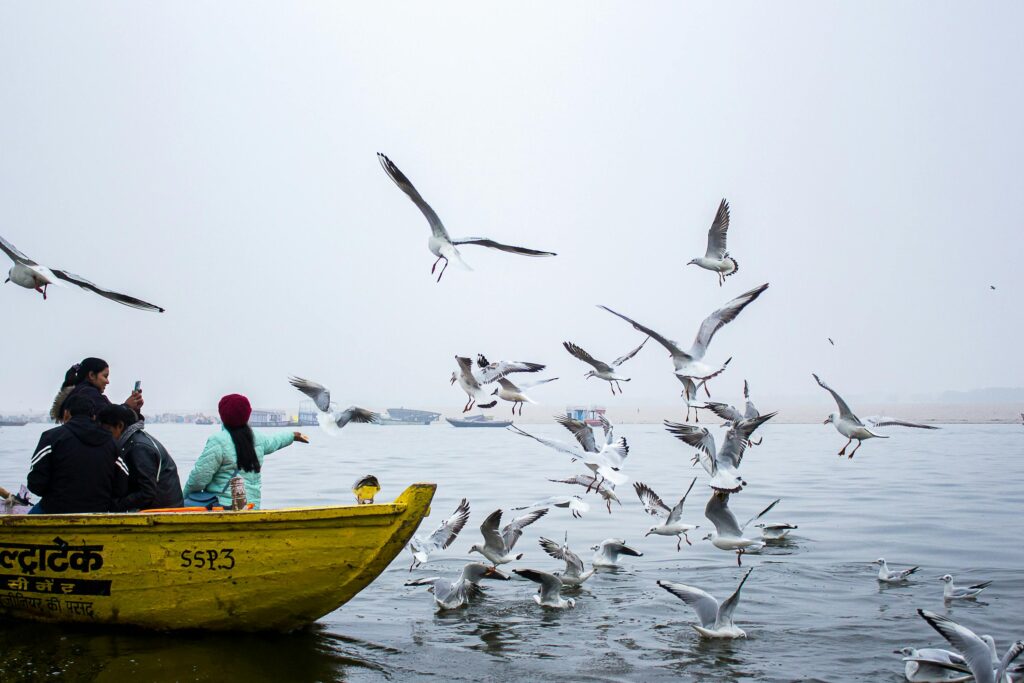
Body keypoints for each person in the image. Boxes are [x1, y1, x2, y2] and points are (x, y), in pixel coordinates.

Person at [183, 394, 309, 510]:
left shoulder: (218, 441)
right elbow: (275, 441)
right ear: (247, 414)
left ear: (222, 415)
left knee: (189, 502)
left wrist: (183, 497)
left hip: (222, 507)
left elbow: (198, 479)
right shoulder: (258, 438)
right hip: (251, 506)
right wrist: (292, 435)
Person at [26, 394, 129, 514]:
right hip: (98, 513)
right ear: (94, 416)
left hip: (55, 510)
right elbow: (121, 488)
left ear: (66, 414)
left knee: (22, 529)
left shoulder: (51, 438)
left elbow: (35, 483)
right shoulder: (112, 444)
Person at [97, 404, 183, 511]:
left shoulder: (139, 448)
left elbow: (147, 492)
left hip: (162, 510)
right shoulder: (133, 440)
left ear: (120, 426)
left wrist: (116, 505)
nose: (104, 435)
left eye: (107, 430)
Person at [50, 357, 144, 422]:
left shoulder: (80, 392)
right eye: (105, 376)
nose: (107, 382)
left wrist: (134, 409)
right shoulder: (88, 394)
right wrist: (127, 407)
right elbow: (108, 419)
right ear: (91, 375)